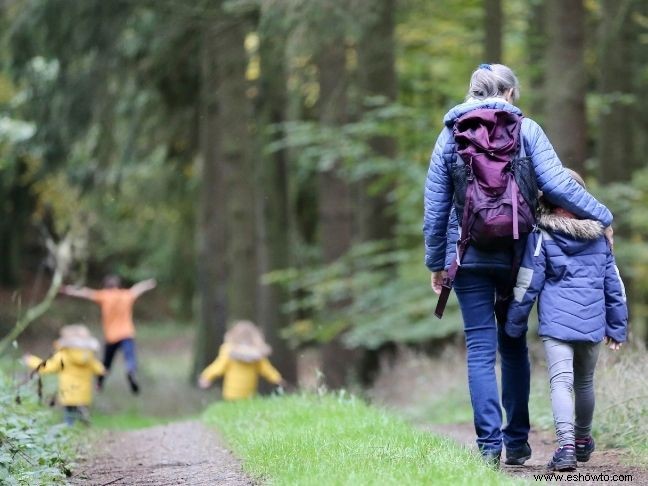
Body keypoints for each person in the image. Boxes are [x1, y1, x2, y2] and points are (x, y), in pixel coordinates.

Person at [423, 63, 613, 467]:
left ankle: (489, 448)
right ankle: (519, 443)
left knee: (479, 348)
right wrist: (603, 217)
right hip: (519, 254)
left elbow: (435, 208)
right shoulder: (527, 130)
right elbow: (559, 184)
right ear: (509, 93)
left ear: (472, 93)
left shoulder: (449, 136)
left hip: (468, 254)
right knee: (513, 345)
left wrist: (437, 262)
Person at [505, 170, 627, 472]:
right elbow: (615, 285)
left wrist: (514, 322)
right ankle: (583, 440)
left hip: (557, 325)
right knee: (584, 382)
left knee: (562, 382)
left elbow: (528, 281)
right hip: (592, 322)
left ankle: (567, 447)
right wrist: (617, 326)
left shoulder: (542, 235)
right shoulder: (600, 237)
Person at [59, 275, 157, 394]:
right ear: (118, 285)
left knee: (106, 363)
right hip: (127, 334)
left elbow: (86, 293)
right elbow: (137, 288)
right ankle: (131, 371)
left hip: (111, 337)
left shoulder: (104, 296)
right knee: (130, 357)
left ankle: (100, 383)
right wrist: (148, 283)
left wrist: (68, 290)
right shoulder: (126, 295)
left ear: (106, 286)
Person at [24, 324, 105, 425]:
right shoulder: (88, 356)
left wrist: (31, 360)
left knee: (69, 413)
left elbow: (47, 367)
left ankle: (70, 427)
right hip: (83, 392)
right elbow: (100, 369)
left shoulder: (63, 355)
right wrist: (101, 376)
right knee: (80, 408)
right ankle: (82, 418)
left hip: (69, 391)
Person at [198, 320, 285, 400]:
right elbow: (267, 369)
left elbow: (218, 366)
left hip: (231, 393)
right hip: (249, 393)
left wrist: (206, 376)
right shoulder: (257, 354)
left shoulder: (228, 351)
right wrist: (277, 379)